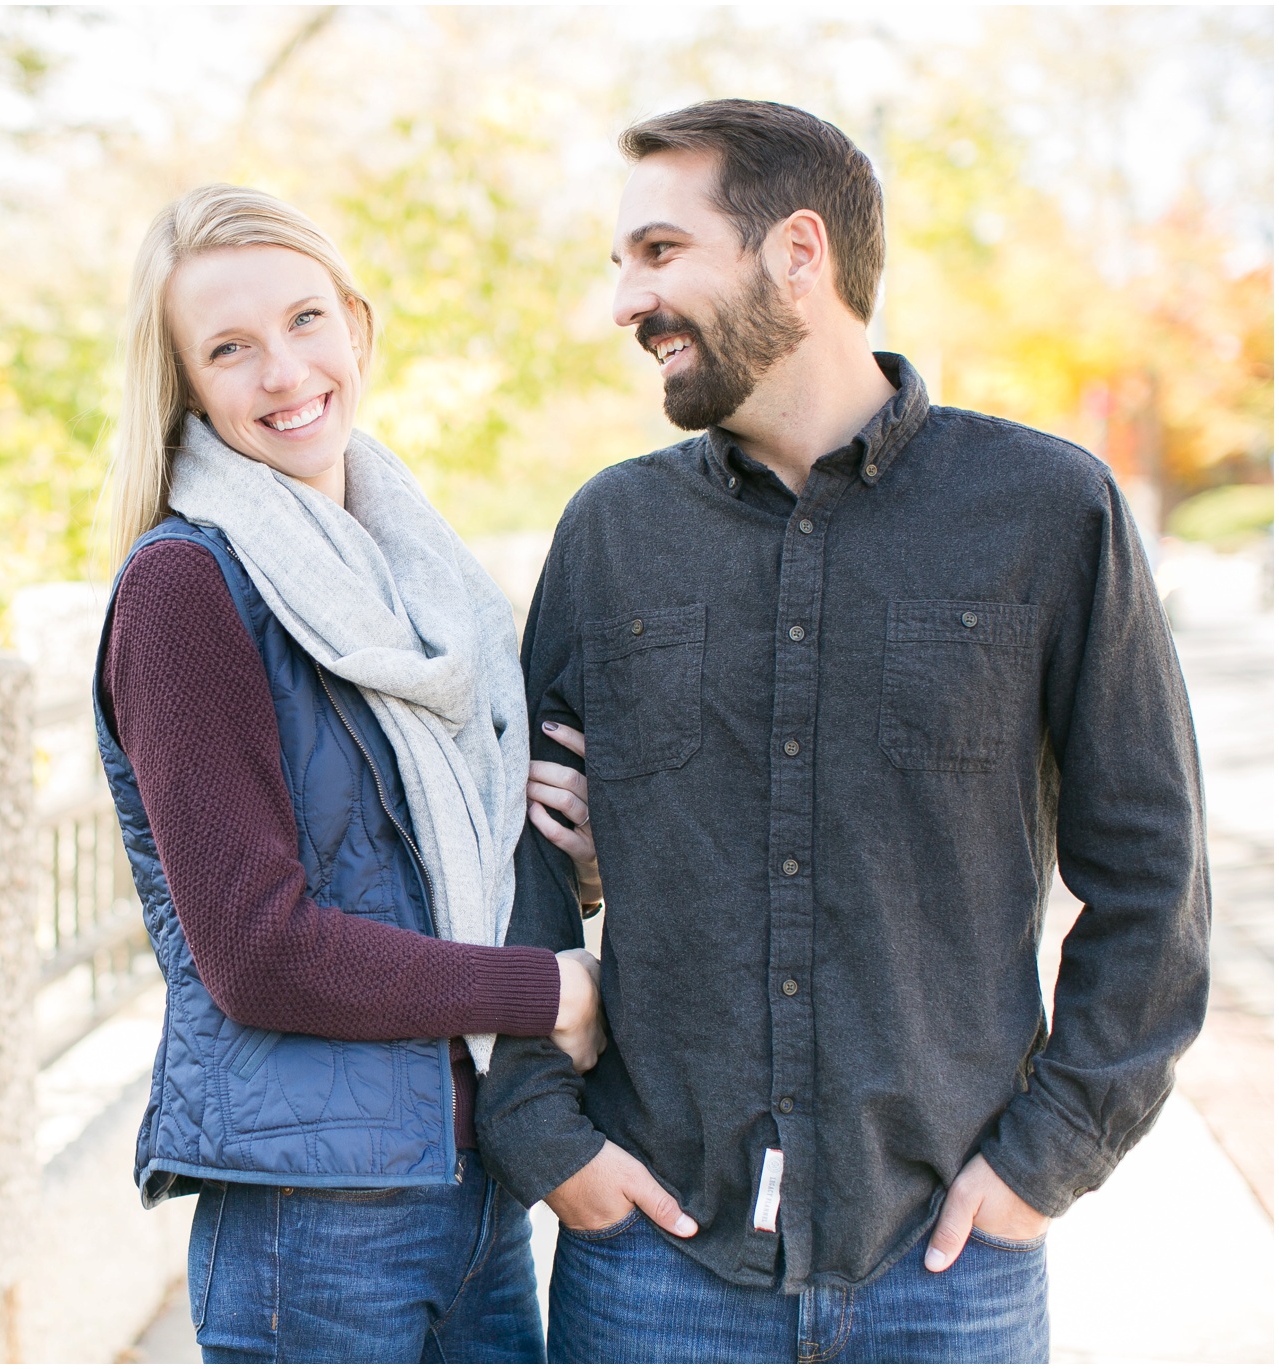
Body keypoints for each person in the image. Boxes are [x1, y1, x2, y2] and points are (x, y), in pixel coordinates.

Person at [480, 99, 1210, 1364]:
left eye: (656, 252)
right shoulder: (609, 535)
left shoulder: (1046, 511)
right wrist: (545, 1136)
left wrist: (1046, 1160)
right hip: (654, 1260)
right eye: (619, 264)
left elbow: (1152, 879)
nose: (621, 302)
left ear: (796, 254)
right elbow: (516, 853)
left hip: (941, 1264)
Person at [92, 183, 605, 1363]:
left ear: (357, 330)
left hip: (471, 1181)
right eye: (229, 348)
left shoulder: (414, 575)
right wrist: (556, 992)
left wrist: (559, 847)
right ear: (182, 387)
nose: (283, 372)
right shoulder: (185, 590)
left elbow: (409, 864)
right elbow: (260, 951)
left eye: (305, 321)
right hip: (311, 1223)